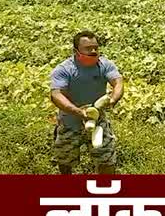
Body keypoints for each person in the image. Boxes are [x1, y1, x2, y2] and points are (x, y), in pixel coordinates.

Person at [49, 31, 124, 174]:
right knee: (65, 161)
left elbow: (118, 82)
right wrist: (78, 111)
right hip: (69, 122)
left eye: (95, 47)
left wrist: (113, 99)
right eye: (88, 48)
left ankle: (105, 190)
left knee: (106, 159)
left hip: (98, 121)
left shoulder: (104, 65)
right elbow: (56, 95)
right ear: (75, 51)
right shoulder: (64, 69)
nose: (93, 51)